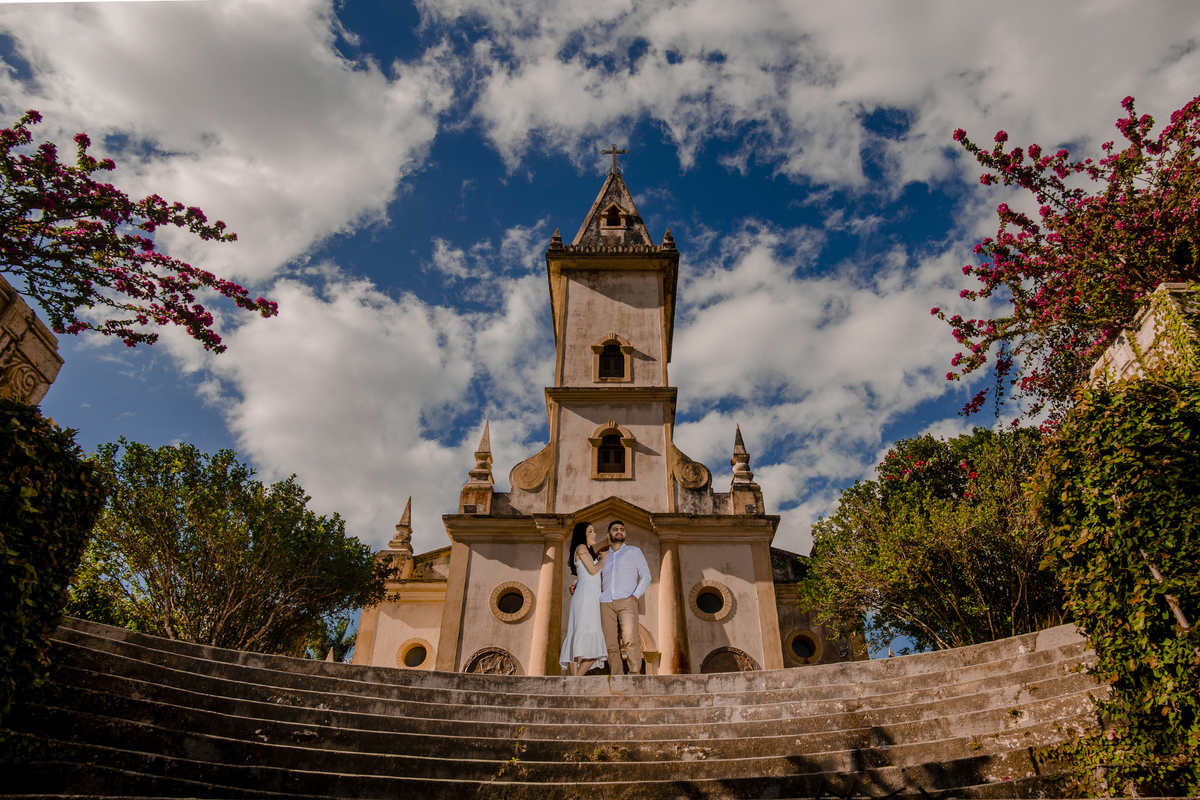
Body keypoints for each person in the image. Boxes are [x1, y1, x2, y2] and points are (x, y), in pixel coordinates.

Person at [598, 520, 651, 675]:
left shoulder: (634, 551)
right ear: (609, 534)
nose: (619, 532)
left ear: (625, 533)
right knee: (610, 643)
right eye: (615, 529)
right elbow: (592, 573)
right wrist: (576, 583)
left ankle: (634, 674)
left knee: (630, 639)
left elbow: (646, 575)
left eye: (622, 529)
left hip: (627, 601)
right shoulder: (604, 555)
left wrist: (635, 596)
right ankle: (616, 675)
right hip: (606, 602)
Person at [558, 521, 609, 676]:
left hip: (590, 597)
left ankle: (575, 680)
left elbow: (585, 576)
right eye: (591, 532)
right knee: (578, 636)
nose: (594, 535)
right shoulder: (581, 547)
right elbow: (593, 571)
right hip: (586, 599)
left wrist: (575, 583)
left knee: (582, 639)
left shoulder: (586, 551)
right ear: (583, 535)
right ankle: (576, 680)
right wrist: (604, 558)